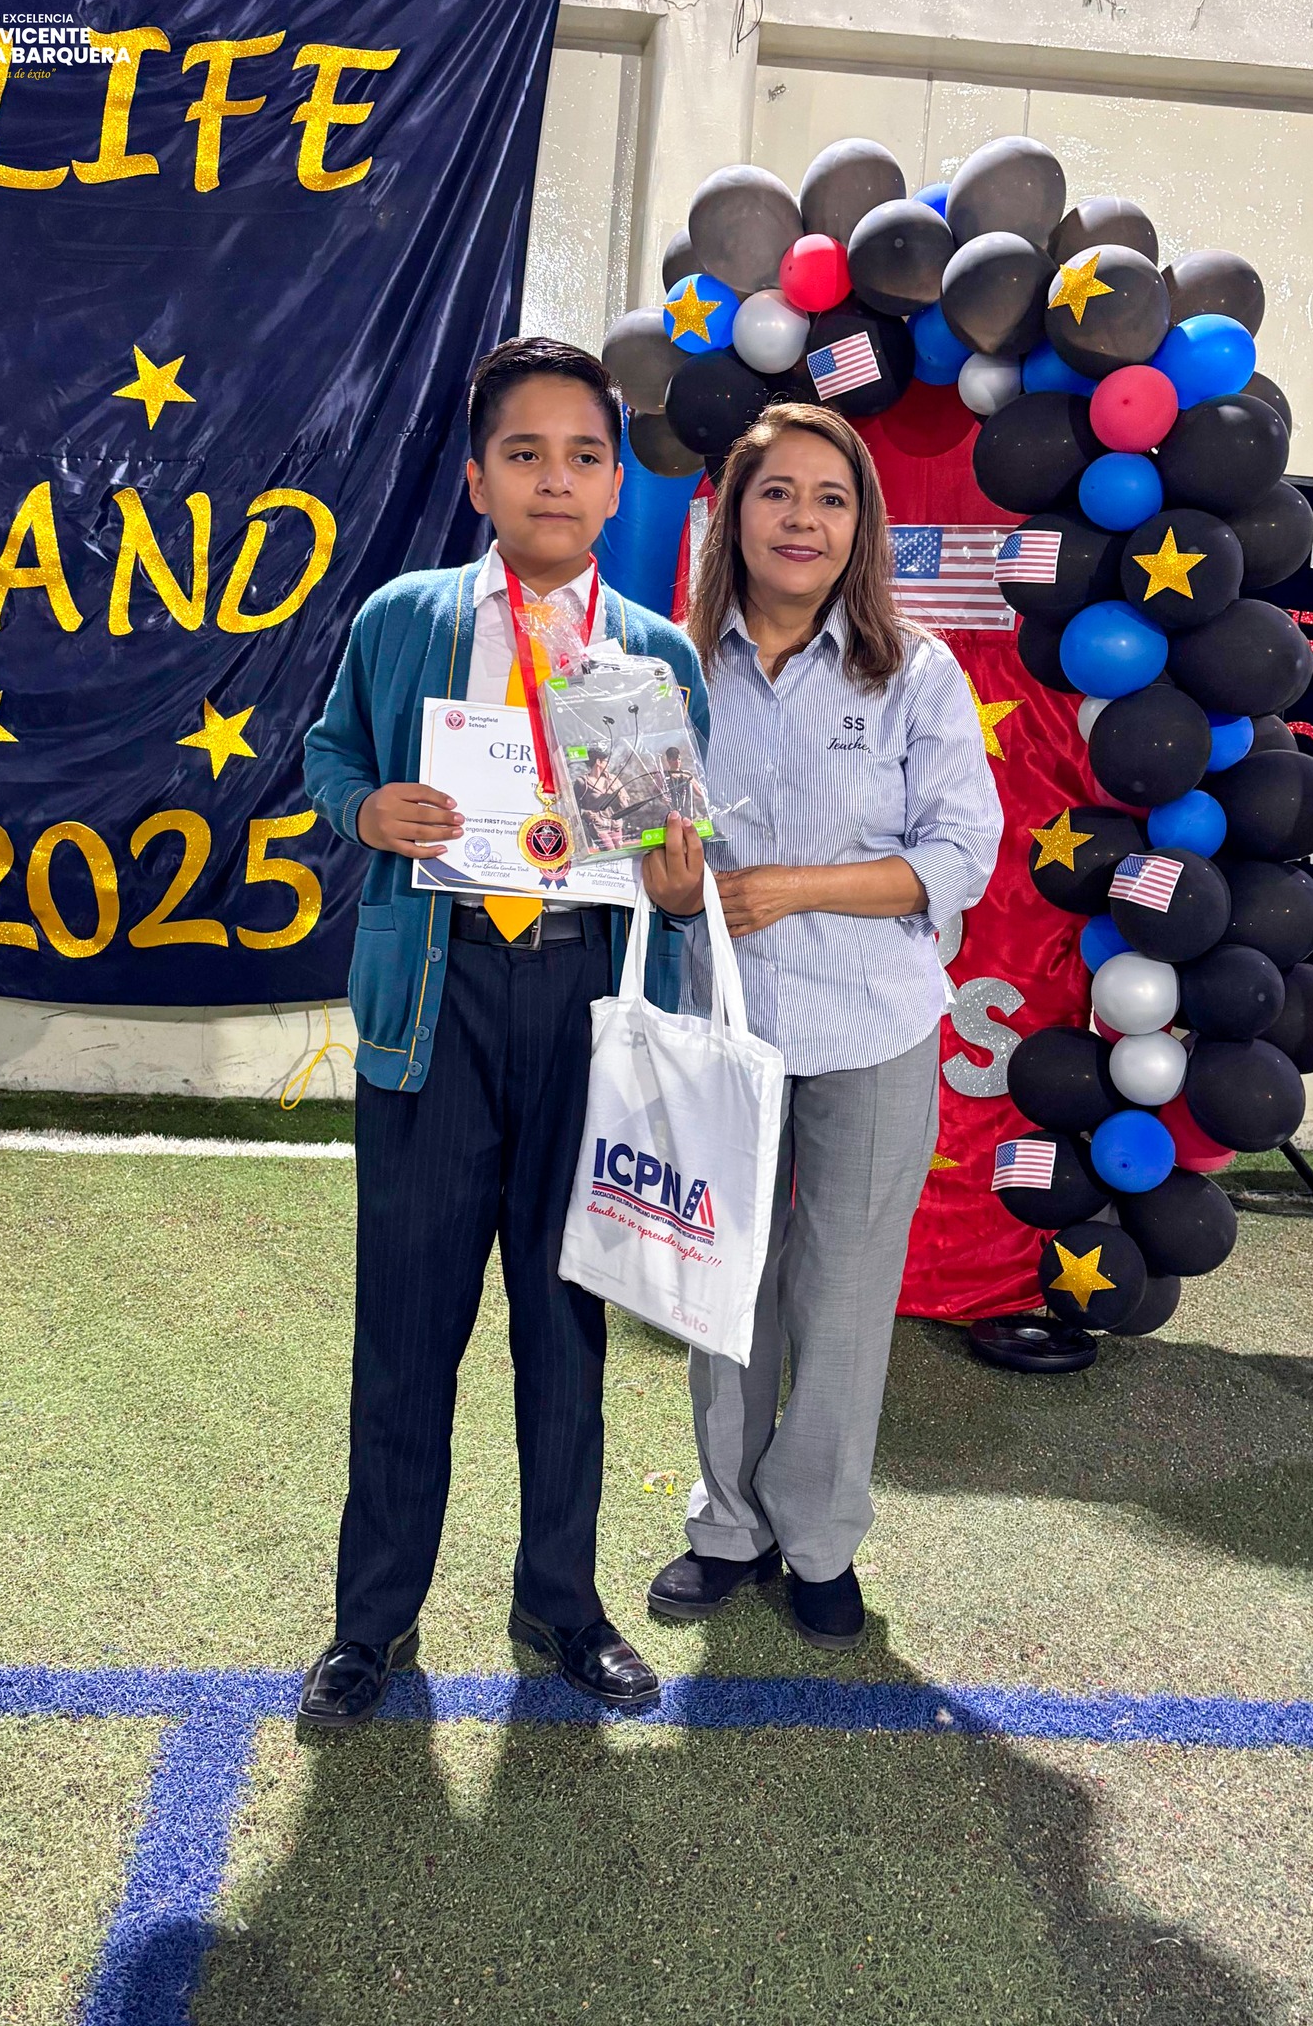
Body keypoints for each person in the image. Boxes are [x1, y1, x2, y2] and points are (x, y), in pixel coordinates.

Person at [299, 339, 708, 1728]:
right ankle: (371, 1622)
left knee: (565, 1324)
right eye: (524, 453)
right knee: (407, 1327)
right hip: (438, 998)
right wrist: (366, 810)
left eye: (583, 456)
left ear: (616, 485)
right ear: (478, 477)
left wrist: (677, 880)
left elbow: (680, 864)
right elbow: (331, 754)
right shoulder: (405, 619)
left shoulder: (647, 655)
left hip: (586, 1007)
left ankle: (562, 1601)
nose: (554, 479)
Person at [640, 401, 1001, 1651]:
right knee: (725, 1285)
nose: (804, 518)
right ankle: (728, 1524)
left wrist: (792, 886)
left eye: (831, 498)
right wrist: (671, 887)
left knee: (844, 1295)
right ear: (733, 515)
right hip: (720, 1020)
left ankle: (820, 1537)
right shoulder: (664, 672)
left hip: (874, 1023)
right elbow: (631, 856)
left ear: (863, 526)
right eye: (778, 492)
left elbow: (960, 852)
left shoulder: (917, 672)